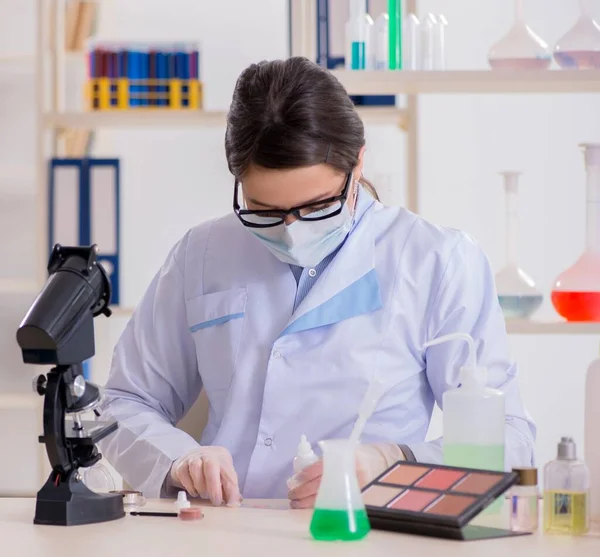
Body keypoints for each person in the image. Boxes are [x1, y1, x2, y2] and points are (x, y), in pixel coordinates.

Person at [98, 57, 535, 509]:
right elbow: (122, 402)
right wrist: (179, 459)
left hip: (367, 530)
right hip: (227, 530)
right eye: (264, 211)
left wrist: (394, 463)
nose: (291, 230)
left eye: (317, 206)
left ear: (358, 165)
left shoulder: (435, 261)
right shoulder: (203, 252)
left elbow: (511, 441)